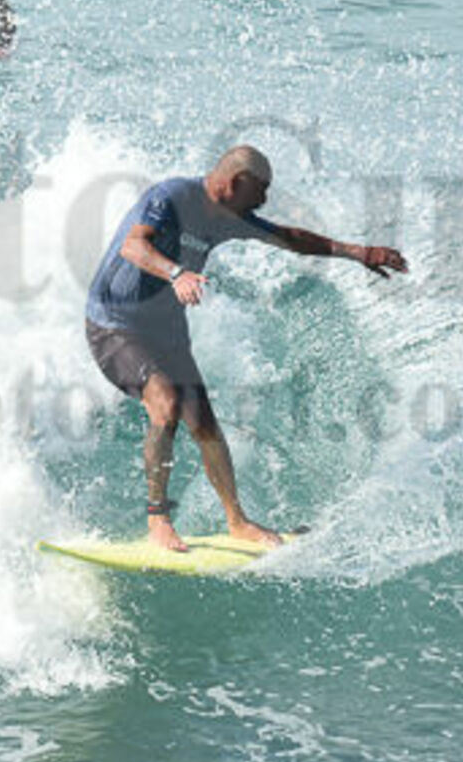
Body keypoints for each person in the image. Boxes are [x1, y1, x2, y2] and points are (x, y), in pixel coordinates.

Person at [85, 145, 408, 551]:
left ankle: (237, 521)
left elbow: (289, 238)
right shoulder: (171, 197)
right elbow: (133, 246)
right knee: (165, 405)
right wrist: (177, 273)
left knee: (204, 424)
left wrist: (358, 252)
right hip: (117, 325)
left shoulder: (227, 218)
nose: (264, 200)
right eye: (261, 190)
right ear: (236, 183)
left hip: (166, 331)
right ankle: (158, 520)